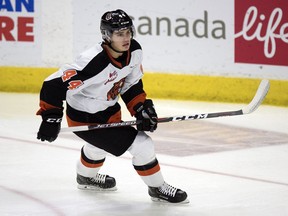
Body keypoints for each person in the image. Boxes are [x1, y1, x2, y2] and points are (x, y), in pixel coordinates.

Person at [36, 9, 188, 204]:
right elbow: (52, 84)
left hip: (108, 111)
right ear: (107, 36)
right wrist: (51, 117)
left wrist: (141, 108)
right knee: (142, 145)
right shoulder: (92, 62)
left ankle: (86, 177)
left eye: (128, 32)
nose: (126, 38)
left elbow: (131, 85)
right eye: (119, 34)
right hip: (85, 117)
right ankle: (157, 188)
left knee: (98, 146)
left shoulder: (134, 51)